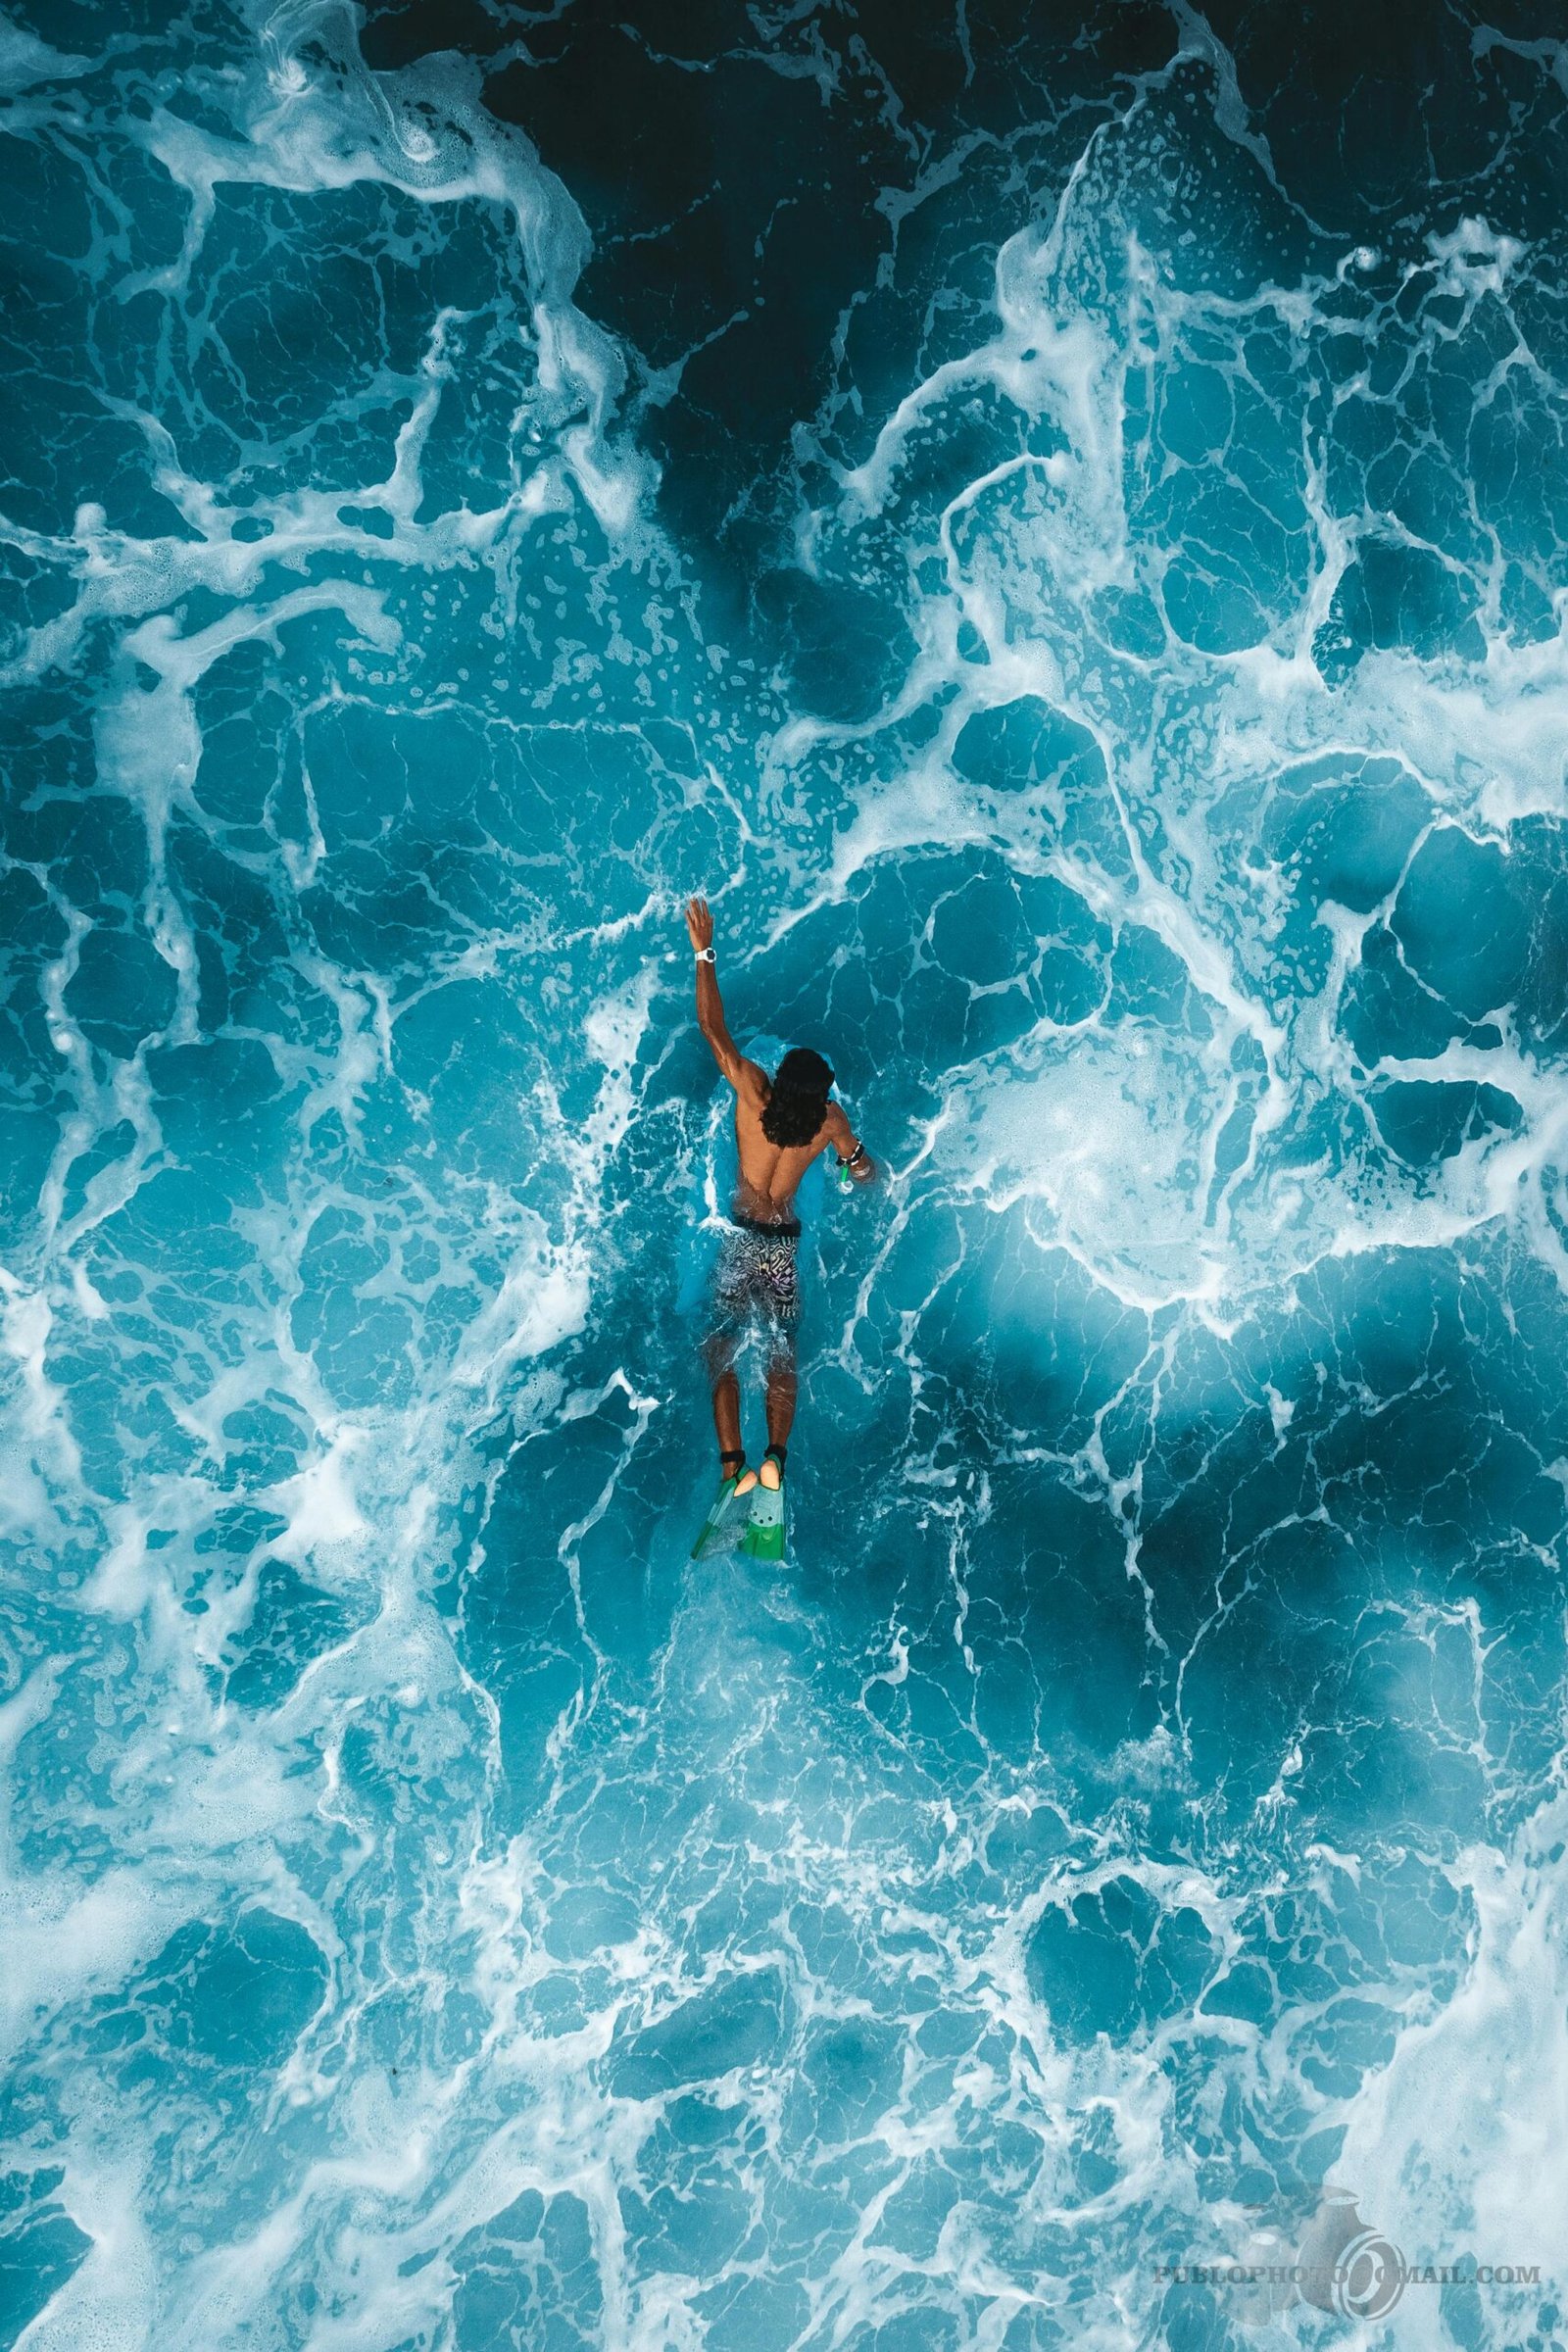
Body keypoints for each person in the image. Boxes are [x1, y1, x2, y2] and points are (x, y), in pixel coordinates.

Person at [686, 895, 875, 1519]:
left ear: (778, 1079)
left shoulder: (751, 1094)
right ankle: (776, 1459)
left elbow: (714, 1030)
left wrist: (704, 951)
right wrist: (857, 1173)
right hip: (782, 1250)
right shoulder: (827, 1121)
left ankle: (733, 1465)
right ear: (817, 1094)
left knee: (721, 1347)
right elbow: (858, 1167)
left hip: (742, 1239)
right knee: (781, 1355)